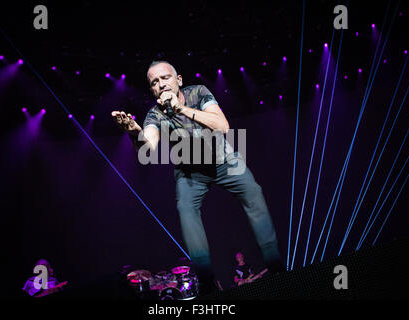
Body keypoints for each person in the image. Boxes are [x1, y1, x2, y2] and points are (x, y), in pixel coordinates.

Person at [111, 61, 283, 294]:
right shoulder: (155, 114)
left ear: (178, 80)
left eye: (165, 78)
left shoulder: (199, 92)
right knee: (186, 209)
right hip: (191, 172)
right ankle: (207, 279)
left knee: (254, 193)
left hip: (224, 161)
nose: (161, 85)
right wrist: (135, 132)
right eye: (154, 82)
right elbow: (147, 148)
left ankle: (276, 267)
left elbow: (222, 125)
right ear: (152, 90)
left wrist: (180, 109)